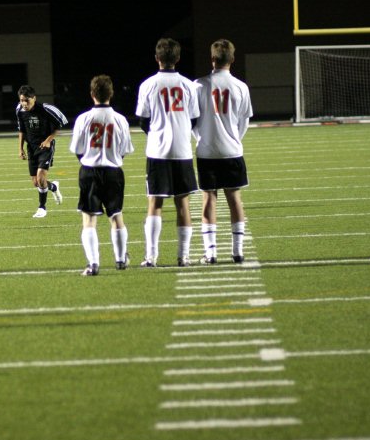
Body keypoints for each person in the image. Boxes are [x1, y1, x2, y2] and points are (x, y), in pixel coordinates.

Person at [135, 37, 200, 267]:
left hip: (157, 150)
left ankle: (151, 256)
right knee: (183, 205)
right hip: (182, 150)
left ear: (157, 58)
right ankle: (184, 256)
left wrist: (157, 134)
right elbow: (193, 118)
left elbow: (143, 120)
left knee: (155, 204)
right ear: (178, 58)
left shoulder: (148, 84)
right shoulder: (188, 85)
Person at [193, 39, 253, 264]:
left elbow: (193, 121)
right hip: (232, 151)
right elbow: (244, 122)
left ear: (212, 59)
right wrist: (234, 139)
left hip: (207, 151)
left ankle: (211, 253)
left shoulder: (198, 85)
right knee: (235, 199)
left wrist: (201, 139)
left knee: (209, 199)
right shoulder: (240, 86)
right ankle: (238, 252)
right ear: (232, 60)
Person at [69, 75, 134, 275]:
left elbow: (78, 150)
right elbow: (124, 149)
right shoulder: (120, 119)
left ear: (92, 94)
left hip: (89, 170)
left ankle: (93, 264)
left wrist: (90, 160)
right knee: (116, 216)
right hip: (113, 171)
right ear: (111, 94)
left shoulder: (83, 118)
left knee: (89, 219)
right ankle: (121, 260)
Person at [15, 85, 67, 218]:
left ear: (34, 98)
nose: (24, 103)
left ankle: (42, 208)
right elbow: (21, 130)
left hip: (45, 147)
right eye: (22, 100)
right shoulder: (19, 110)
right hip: (31, 148)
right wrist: (20, 148)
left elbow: (59, 126)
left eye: (27, 100)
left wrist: (49, 140)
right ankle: (53, 187)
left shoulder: (46, 109)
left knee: (41, 177)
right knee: (37, 183)